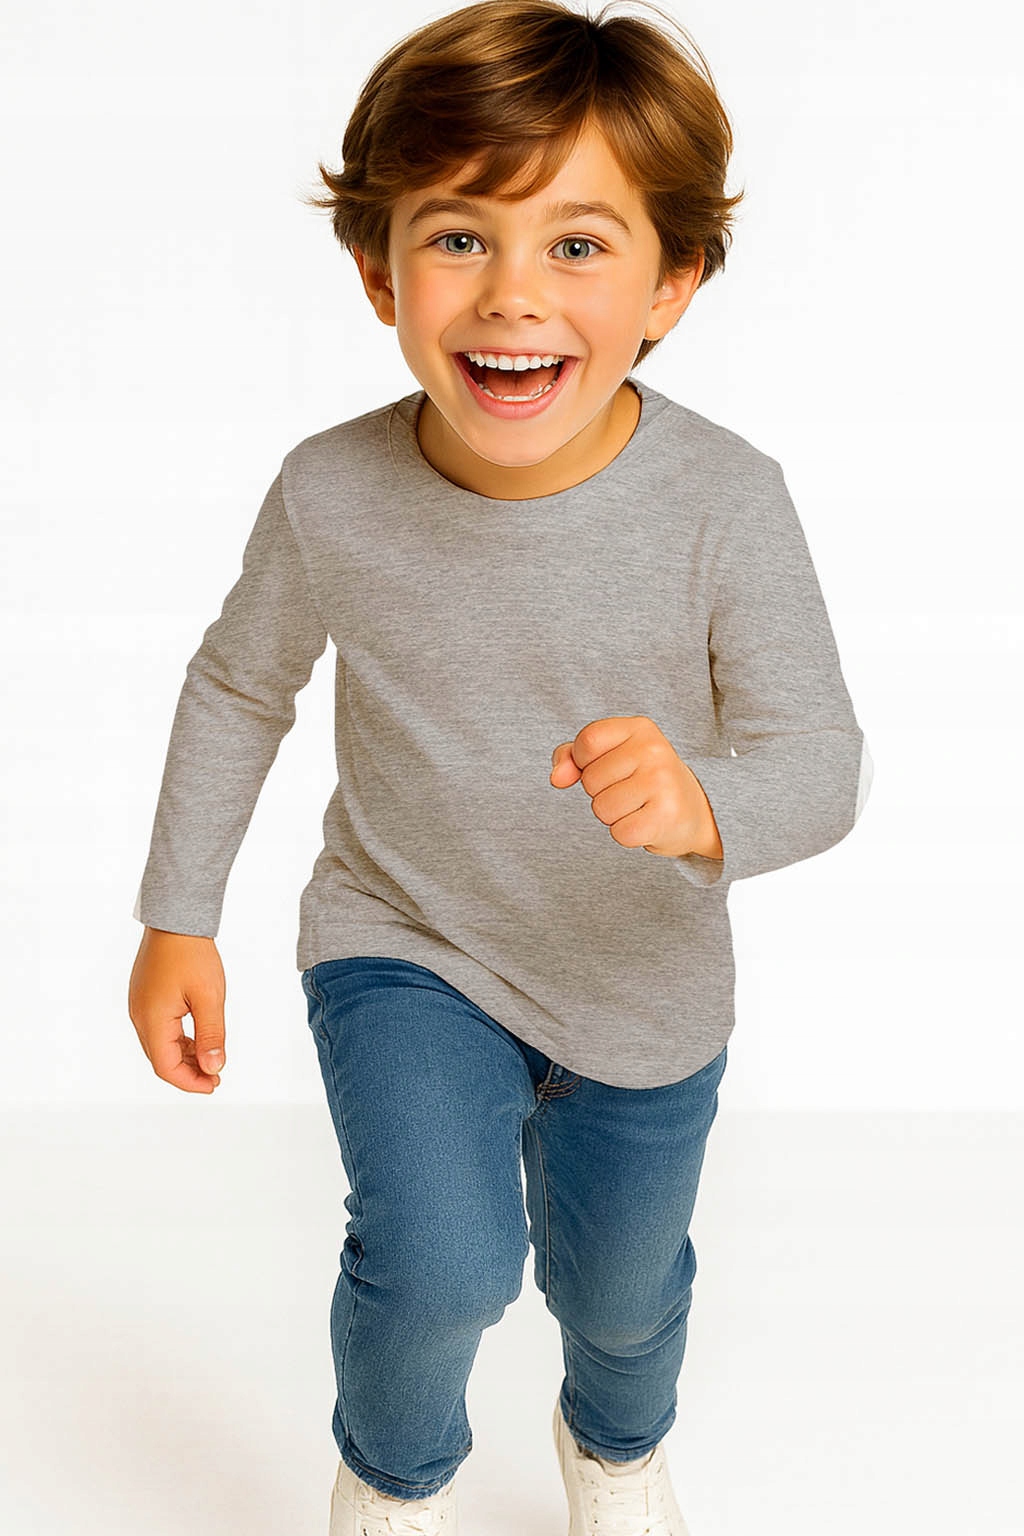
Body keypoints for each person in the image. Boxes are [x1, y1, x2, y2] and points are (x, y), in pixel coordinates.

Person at [127, 2, 873, 1533]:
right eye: (460, 237)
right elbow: (238, 686)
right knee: (439, 1265)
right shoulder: (330, 491)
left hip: (641, 985)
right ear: (378, 272)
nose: (513, 292)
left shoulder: (728, 501)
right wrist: (176, 916)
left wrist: (707, 805)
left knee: (622, 1294)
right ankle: (393, 1474)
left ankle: (615, 1445)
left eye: (579, 246)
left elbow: (822, 758)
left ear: (673, 283)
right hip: (406, 943)